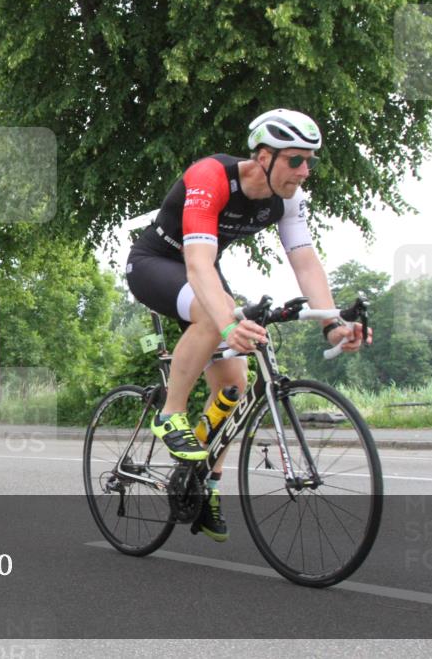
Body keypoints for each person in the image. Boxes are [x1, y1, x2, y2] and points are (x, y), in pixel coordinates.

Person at [125, 109, 371, 541]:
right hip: (155, 264)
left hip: (202, 273)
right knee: (216, 312)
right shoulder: (211, 177)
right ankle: (170, 413)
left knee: (233, 386)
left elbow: (305, 263)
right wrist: (226, 325)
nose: (304, 171)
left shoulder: (287, 199)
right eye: (295, 160)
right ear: (263, 156)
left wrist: (332, 324)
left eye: (309, 161)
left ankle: (204, 483)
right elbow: (198, 264)